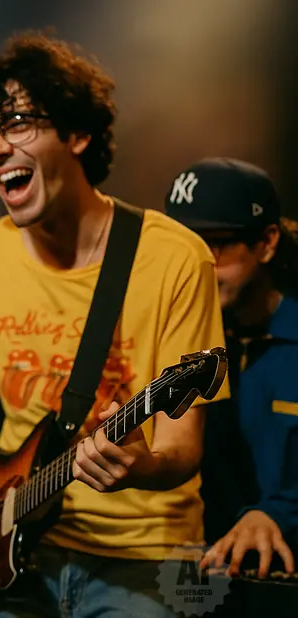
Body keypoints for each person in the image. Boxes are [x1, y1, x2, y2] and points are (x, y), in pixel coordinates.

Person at [0, 33, 229, 617]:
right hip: (12, 549)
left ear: (78, 134)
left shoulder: (175, 257)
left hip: (150, 555)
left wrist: (145, 467)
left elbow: (182, 447)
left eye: (17, 124)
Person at [162, 158, 297, 579]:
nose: (196, 263)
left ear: (267, 242)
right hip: (191, 575)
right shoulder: (167, 343)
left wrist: (275, 514)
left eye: (216, 244)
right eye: (184, 246)